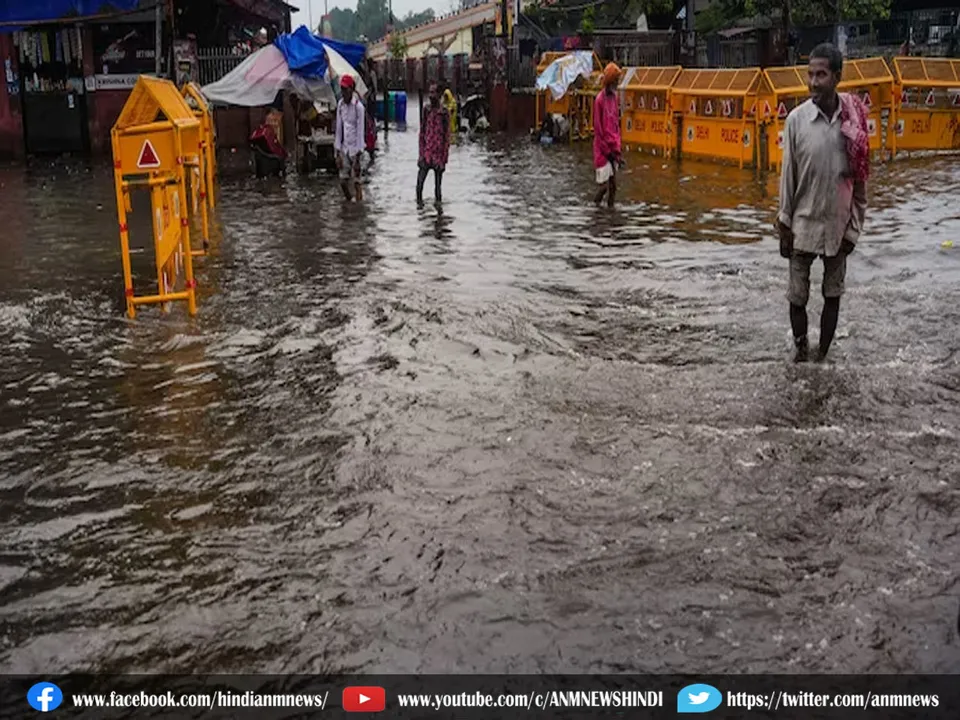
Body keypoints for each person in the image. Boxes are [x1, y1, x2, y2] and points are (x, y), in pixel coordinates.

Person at [777, 42, 869, 363]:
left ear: (837, 77)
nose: (814, 82)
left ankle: (823, 357)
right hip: (802, 223)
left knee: (833, 295)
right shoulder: (796, 121)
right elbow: (787, 177)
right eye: (810, 74)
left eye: (822, 75)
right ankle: (801, 354)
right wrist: (783, 224)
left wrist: (853, 232)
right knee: (797, 296)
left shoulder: (855, 122)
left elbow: (860, 183)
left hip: (838, 226)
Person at [593, 62, 623, 207]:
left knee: (613, 187)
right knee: (604, 187)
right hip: (602, 149)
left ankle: (610, 214)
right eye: (616, 80)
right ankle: (595, 208)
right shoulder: (599, 100)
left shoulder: (614, 98)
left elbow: (616, 125)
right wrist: (607, 151)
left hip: (613, 147)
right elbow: (598, 130)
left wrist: (617, 151)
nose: (617, 83)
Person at [417, 82, 450, 207]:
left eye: (433, 92)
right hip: (426, 153)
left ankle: (439, 215)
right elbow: (422, 132)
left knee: (438, 190)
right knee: (419, 186)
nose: (431, 95)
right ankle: (420, 211)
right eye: (430, 92)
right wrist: (421, 154)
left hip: (438, 156)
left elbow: (447, 137)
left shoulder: (444, 113)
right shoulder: (426, 110)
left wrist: (444, 159)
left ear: (439, 94)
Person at [334, 74, 366, 201]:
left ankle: (358, 206)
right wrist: (337, 153)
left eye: (345, 89)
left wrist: (358, 157)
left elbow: (360, 132)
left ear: (351, 90)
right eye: (341, 89)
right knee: (343, 181)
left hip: (355, 149)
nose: (343, 93)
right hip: (344, 148)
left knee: (357, 182)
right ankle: (350, 203)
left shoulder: (359, 107)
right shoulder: (340, 105)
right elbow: (339, 128)